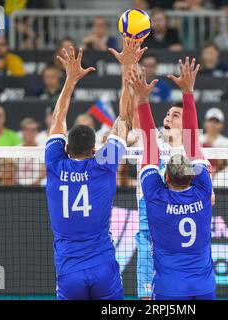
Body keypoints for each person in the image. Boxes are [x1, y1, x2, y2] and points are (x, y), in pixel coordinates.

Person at [44, 39, 142, 300]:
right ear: (93, 150)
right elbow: (124, 119)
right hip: (103, 268)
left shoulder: (54, 164)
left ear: (65, 148)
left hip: (69, 270)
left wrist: (70, 80)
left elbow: (57, 119)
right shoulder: (103, 164)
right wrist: (128, 67)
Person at [132, 56, 216, 300]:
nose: (168, 117)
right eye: (167, 114)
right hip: (152, 231)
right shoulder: (183, 153)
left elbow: (211, 197)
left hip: (164, 227)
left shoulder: (182, 151)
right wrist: (188, 92)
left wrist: (141, 97)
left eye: (176, 115)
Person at [18, 118, 45, 186]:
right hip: (16, 188)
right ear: (22, 131)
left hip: (37, 188)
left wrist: (34, 185)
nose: (30, 133)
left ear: (37, 132)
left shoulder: (43, 150)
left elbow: (44, 173)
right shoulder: (14, 150)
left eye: (33, 130)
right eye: (27, 130)